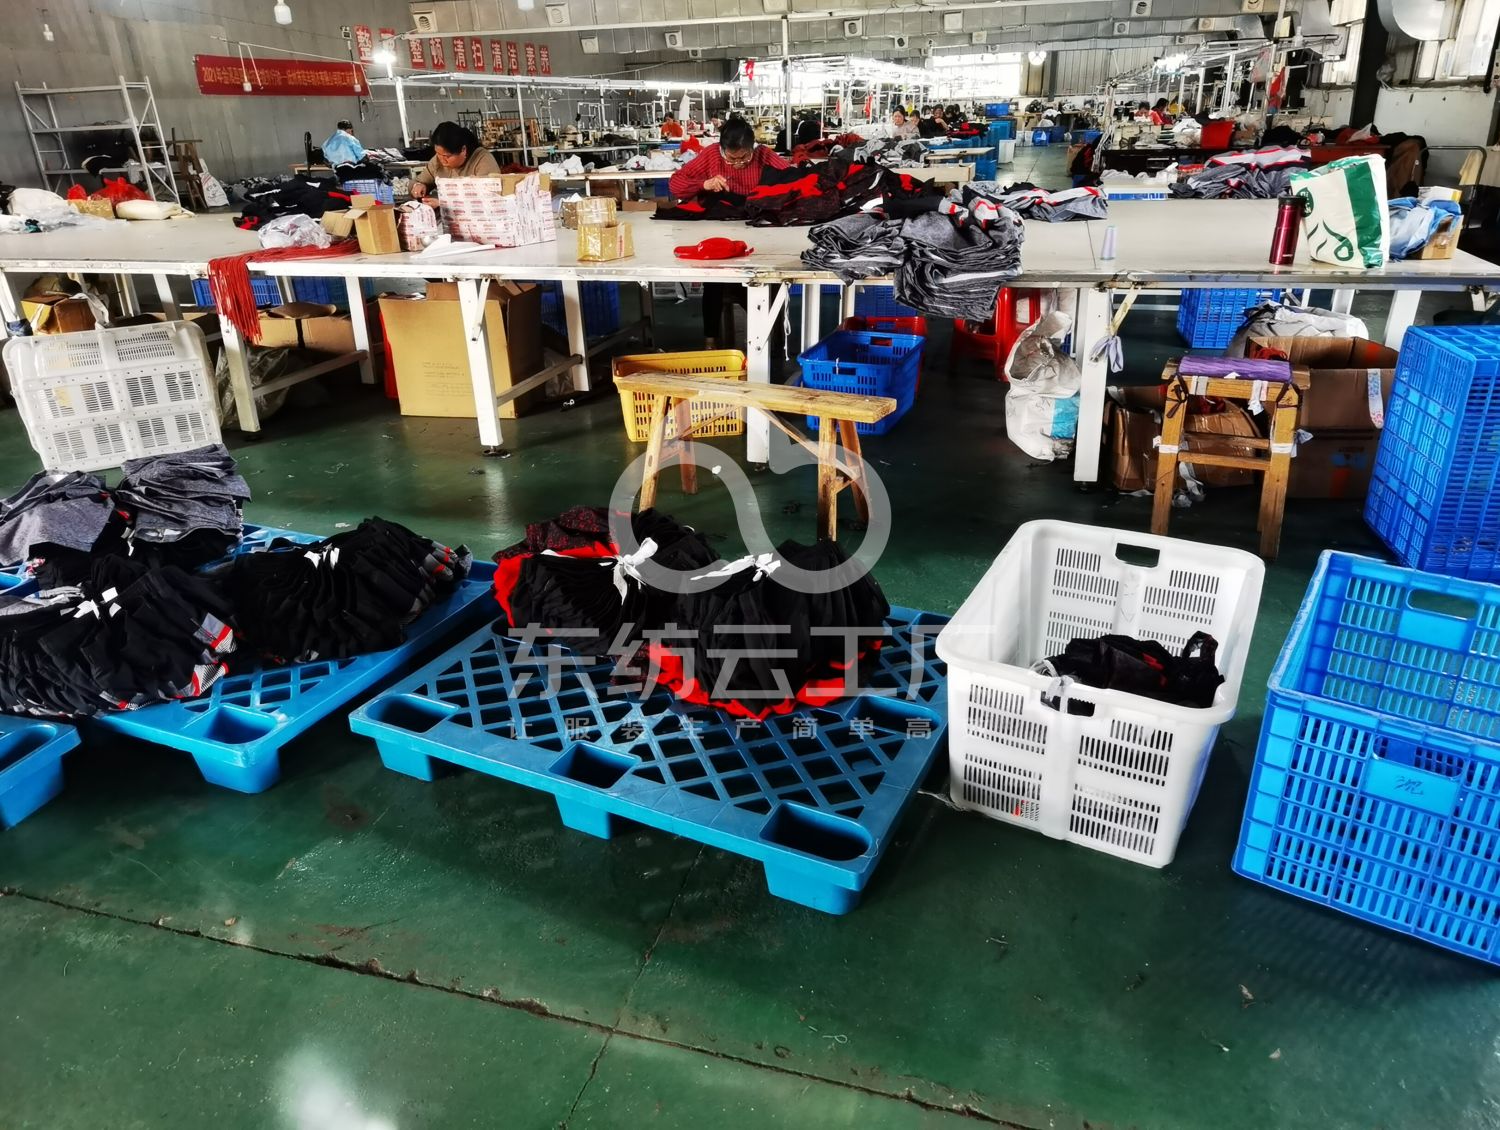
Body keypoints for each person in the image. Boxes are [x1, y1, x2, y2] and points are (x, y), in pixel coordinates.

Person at [668, 115, 788, 199]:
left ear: (752, 147)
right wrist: (704, 184)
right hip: (720, 221)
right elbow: (675, 184)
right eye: (732, 158)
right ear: (722, 149)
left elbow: (795, 179)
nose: (738, 163)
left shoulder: (763, 154)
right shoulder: (712, 154)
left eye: (744, 157)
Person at [410, 121, 501, 205]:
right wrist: (417, 186)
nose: (442, 159)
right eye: (438, 153)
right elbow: (416, 181)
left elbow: (490, 197)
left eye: (447, 156)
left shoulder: (482, 159)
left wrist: (444, 204)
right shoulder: (437, 160)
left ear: (463, 150)